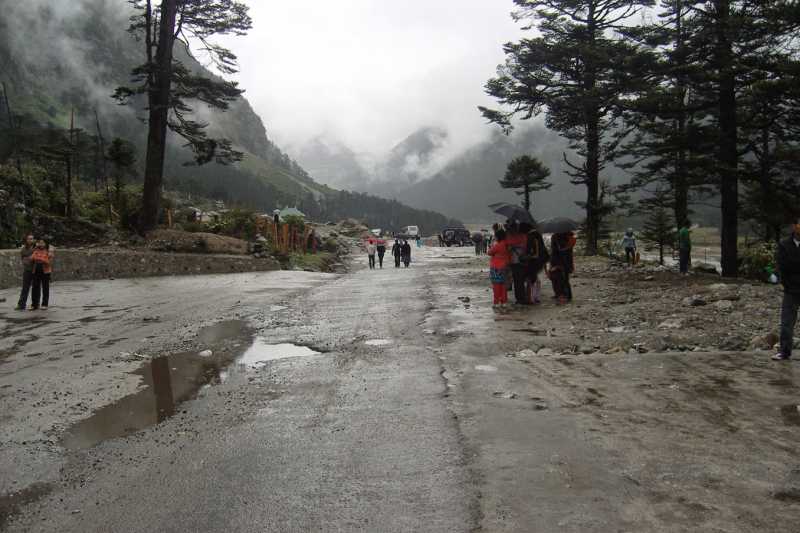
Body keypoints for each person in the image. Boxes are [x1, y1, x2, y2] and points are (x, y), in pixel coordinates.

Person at [774, 218, 800, 360]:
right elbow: (782, 266)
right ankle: (784, 351)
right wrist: (785, 283)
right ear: (794, 226)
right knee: (787, 323)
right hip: (791, 290)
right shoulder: (784, 244)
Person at [506, 221, 530, 304]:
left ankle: (520, 298)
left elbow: (508, 247)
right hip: (523, 261)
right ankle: (522, 298)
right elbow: (525, 246)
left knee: (517, 281)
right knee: (521, 280)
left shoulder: (510, 237)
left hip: (514, 261)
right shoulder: (524, 236)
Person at [548, 231, 575, 304]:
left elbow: (560, 250)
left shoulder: (559, 237)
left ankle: (564, 296)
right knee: (561, 278)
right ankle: (564, 295)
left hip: (560, 261)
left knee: (561, 279)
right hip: (564, 261)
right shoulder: (568, 237)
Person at [525, 226, 549, 304]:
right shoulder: (542, 246)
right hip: (540, 265)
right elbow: (545, 257)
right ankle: (536, 297)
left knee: (532, 282)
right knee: (537, 281)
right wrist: (546, 270)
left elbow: (534, 255)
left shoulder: (531, 241)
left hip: (533, 265)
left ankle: (531, 298)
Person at [488, 228, 511, 308]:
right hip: (505, 267)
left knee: (496, 285)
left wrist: (492, 245)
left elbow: (489, 252)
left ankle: (496, 302)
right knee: (504, 285)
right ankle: (504, 301)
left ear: (498, 237)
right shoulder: (507, 244)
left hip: (496, 267)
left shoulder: (498, 245)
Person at [30, 238, 53, 310]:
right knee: (35, 287)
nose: (41, 244)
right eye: (40, 243)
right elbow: (32, 258)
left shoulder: (49, 251)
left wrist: (40, 259)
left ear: (45, 243)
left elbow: (49, 262)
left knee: (45, 288)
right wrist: (41, 258)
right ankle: (34, 304)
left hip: (45, 271)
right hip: (36, 271)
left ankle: (44, 304)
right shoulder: (36, 250)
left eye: (42, 243)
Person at [15, 234, 35, 311]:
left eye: (32, 239)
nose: (31, 240)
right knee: (25, 288)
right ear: (26, 240)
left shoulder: (36, 248)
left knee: (35, 288)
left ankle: (35, 304)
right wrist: (30, 258)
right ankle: (21, 304)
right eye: (29, 239)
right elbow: (24, 260)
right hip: (27, 270)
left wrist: (31, 258)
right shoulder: (24, 249)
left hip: (36, 270)